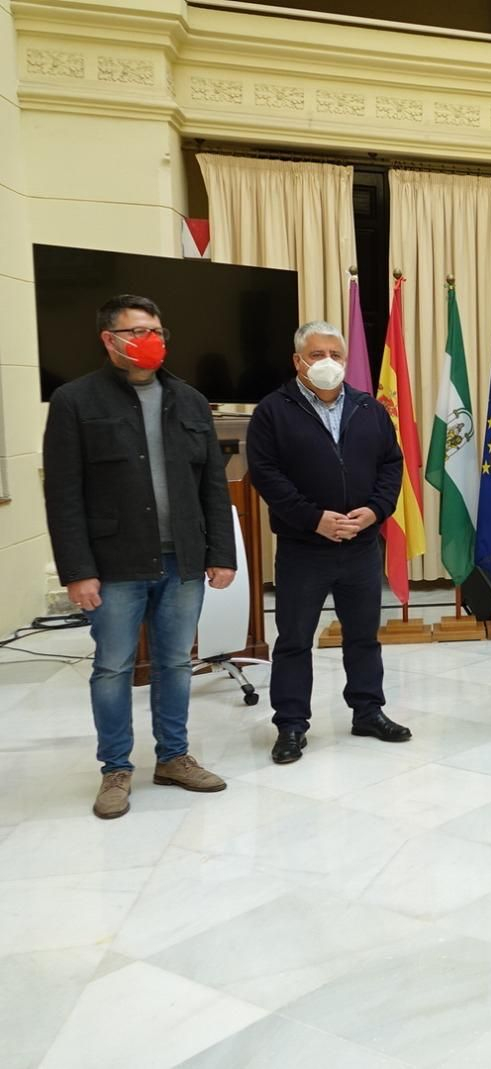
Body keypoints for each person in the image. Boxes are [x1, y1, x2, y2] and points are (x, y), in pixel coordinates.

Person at [42, 294, 237, 818]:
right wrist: (77, 571)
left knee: (175, 663)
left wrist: (223, 553)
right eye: (137, 331)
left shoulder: (191, 400)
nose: (150, 339)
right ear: (109, 339)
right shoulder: (74, 401)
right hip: (113, 565)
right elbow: (62, 494)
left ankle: (173, 757)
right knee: (113, 667)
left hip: (184, 562)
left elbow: (212, 488)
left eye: (156, 329)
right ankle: (115, 770)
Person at [246, 321, 409, 765]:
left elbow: (391, 466)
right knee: (296, 639)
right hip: (304, 548)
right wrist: (314, 519)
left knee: (362, 636)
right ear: (298, 361)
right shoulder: (272, 412)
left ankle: (368, 710)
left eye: (336, 355)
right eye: (317, 355)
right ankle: (292, 724)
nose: (328, 363)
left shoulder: (368, 409)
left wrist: (375, 511)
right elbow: (266, 475)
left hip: (360, 546)